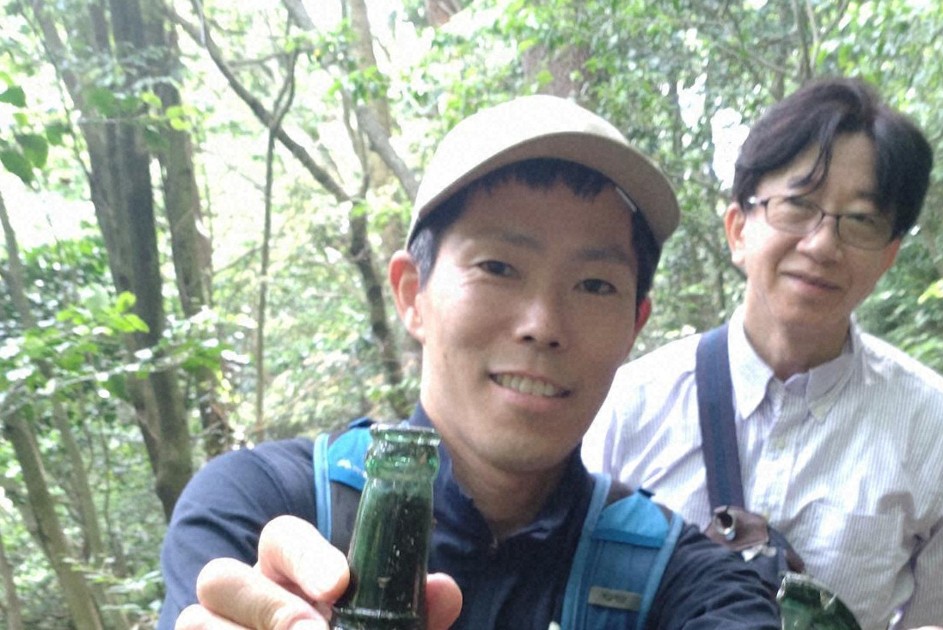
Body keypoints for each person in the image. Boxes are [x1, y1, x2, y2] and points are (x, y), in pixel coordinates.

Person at [160, 94, 781, 630]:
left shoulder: (679, 576)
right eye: (498, 268)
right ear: (412, 294)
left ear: (633, 328)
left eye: (594, 285)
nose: (543, 325)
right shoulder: (262, 507)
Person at [583, 77, 943, 630]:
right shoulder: (628, 403)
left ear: (889, 254)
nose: (822, 244)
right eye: (797, 205)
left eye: (861, 221)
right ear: (738, 230)